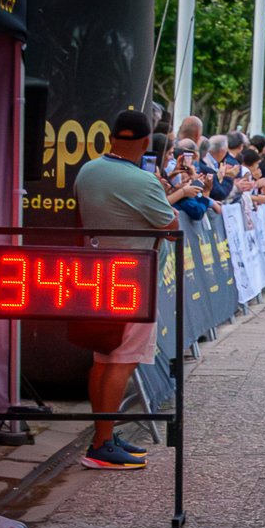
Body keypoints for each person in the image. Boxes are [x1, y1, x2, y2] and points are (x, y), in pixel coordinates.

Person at [74, 110, 179, 470]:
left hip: (95, 274)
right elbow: (171, 226)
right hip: (133, 280)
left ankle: (102, 437)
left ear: (110, 136)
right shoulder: (144, 182)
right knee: (122, 361)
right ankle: (102, 446)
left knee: (103, 358)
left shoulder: (87, 171)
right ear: (147, 142)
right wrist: (164, 192)